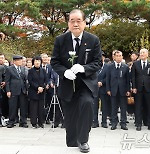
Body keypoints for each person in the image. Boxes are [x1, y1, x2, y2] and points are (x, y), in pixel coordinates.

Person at [51, 9, 102, 153]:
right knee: (71, 114)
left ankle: (83, 140)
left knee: (86, 104)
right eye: (72, 21)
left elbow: (98, 62)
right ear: (68, 23)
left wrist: (84, 68)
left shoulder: (93, 40)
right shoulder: (61, 40)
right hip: (68, 83)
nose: (75, 24)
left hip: (86, 83)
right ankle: (74, 140)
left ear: (84, 23)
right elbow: (55, 62)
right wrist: (64, 72)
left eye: (78, 20)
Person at [132, 48, 150, 131]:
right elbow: (133, 77)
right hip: (138, 89)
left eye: (143, 53)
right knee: (138, 107)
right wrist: (134, 87)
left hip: (149, 89)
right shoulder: (135, 64)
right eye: (140, 53)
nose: (142, 54)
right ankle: (138, 124)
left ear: (147, 54)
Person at [106, 50, 130, 130]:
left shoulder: (125, 67)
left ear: (122, 57)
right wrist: (108, 89)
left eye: (120, 56)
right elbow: (108, 79)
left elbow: (127, 80)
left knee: (123, 108)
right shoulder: (110, 67)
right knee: (114, 107)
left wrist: (128, 90)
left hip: (123, 90)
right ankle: (114, 123)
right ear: (114, 57)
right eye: (117, 56)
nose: (119, 57)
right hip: (113, 90)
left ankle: (123, 123)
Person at [5, 55, 28, 128]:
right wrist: (8, 90)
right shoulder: (9, 69)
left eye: (21, 60)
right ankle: (11, 121)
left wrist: (26, 89)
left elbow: (25, 80)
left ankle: (23, 121)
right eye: (19, 60)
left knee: (23, 107)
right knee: (13, 106)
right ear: (15, 61)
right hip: (13, 90)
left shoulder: (23, 68)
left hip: (22, 90)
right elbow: (7, 81)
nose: (21, 62)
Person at [28, 56, 48, 128]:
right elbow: (30, 81)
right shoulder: (30, 71)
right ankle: (34, 123)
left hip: (42, 92)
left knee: (41, 108)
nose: (37, 62)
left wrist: (42, 87)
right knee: (34, 108)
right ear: (33, 62)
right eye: (36, 61)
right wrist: (37, 87)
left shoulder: (43, 70)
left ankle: (41, 122)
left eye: (38, 61)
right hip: (34, 91)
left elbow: (46, 80)